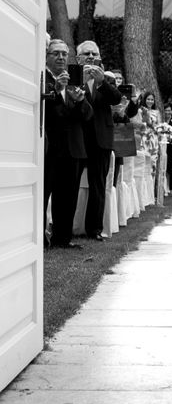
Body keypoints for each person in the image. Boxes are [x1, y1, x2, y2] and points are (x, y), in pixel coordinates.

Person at [44, 39, 93, 249]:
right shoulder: (42, 78)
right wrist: (56, 90)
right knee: (44, 195)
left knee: (67, 197)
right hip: (49, 149)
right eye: (56, 53)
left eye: (64, 54)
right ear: (46, 56)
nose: (61, 58)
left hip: (73, 149)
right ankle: (38, 240)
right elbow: (46, 111)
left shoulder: (74, 80)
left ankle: (62, 239)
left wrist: (81, 100)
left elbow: (87, 115)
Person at [77, 40, 123, 241]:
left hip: (101, 139)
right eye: (86, 53)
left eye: (94, 54)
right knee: (70, 184)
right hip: (77, 138)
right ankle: (67, 227)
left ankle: (94, 229)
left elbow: (116, 99)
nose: (90, 57)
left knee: (97, 186)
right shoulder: (72, 76)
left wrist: (102, 81)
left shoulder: (106, 79)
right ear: (78, 58)